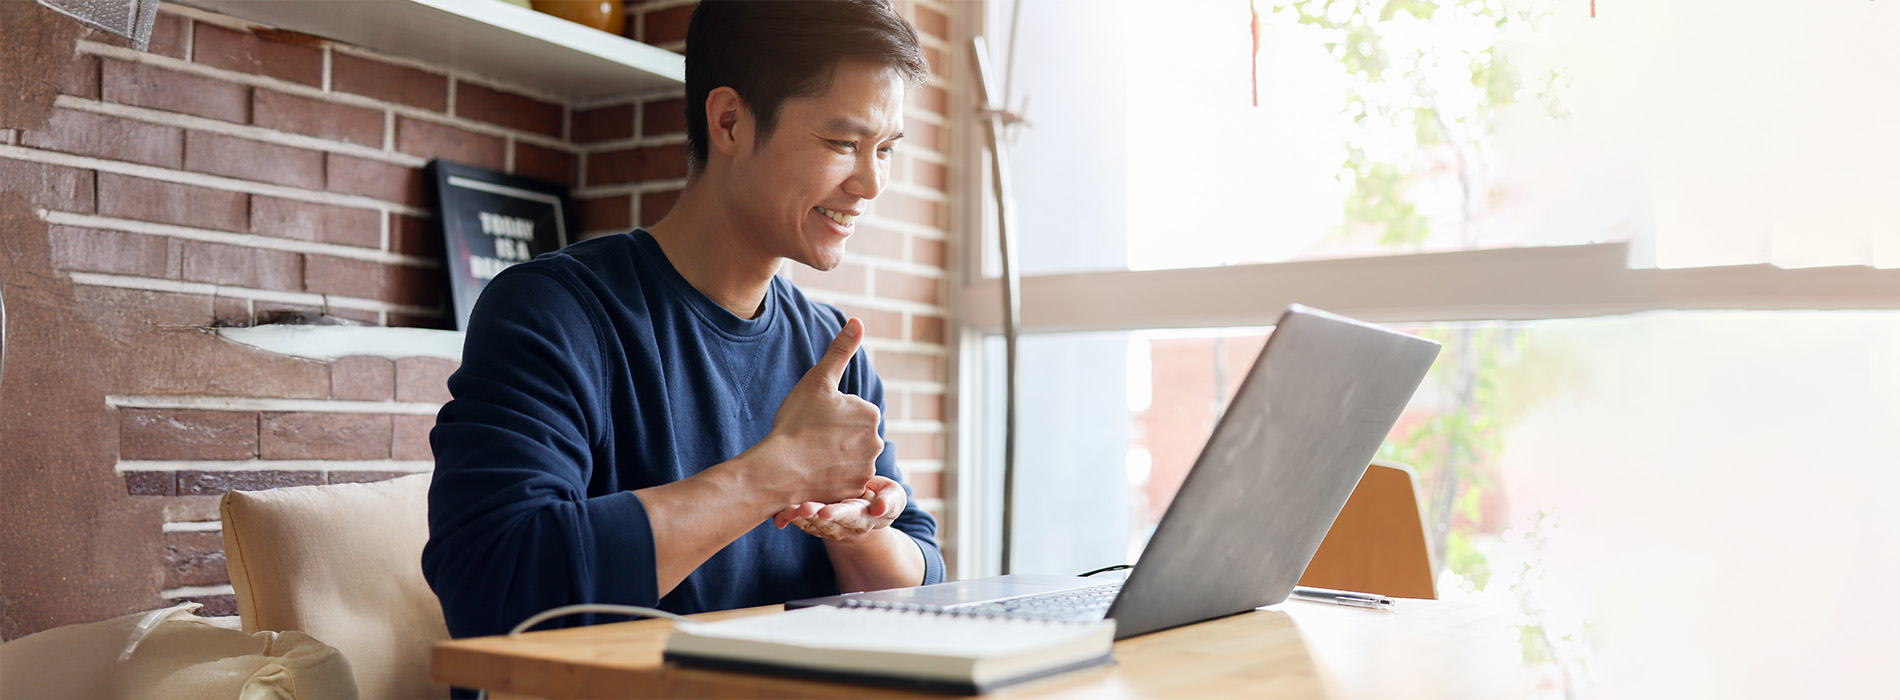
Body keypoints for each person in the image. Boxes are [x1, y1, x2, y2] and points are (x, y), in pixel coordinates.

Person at [420, 0, 943, 644]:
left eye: (885, 149)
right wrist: (773, 473)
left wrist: (861, 529)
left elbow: (919, 574)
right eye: (844, 143)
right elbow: (492, 584)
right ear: (729, 122)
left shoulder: (831, 350)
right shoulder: (554, 310)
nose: (871, 183)